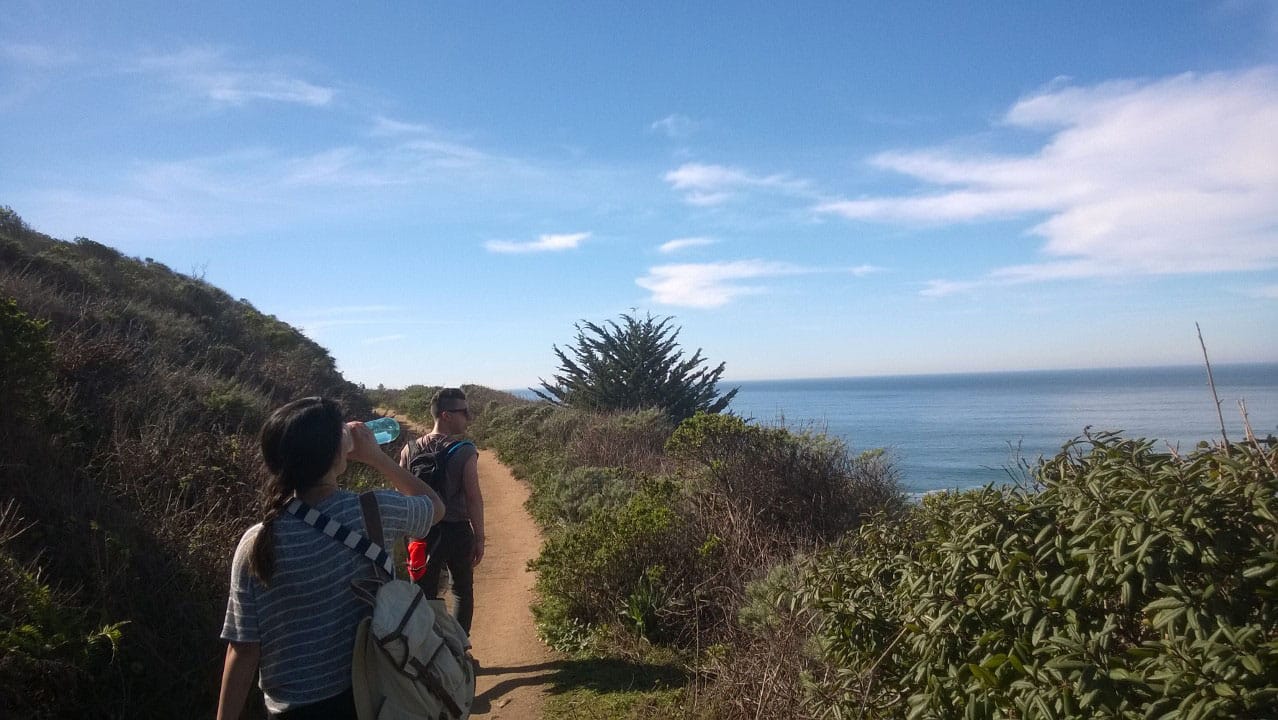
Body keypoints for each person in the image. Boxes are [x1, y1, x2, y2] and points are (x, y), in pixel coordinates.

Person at [216, 397, 445, 720]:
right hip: (372, 699)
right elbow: (435, 507)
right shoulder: (372, 511)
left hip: (290, 710)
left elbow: (244, 649)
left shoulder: (255, 543)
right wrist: (378, 458)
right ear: (334, 453)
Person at [399, 388, 484, 635]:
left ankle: (428, 653)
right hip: (457, 530)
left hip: (421, 533)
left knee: (422, 596)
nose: (468, 417)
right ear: (446, 415)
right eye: (464, 412)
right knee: (461, 591)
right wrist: (479, 538)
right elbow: (473, 498)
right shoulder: (465, 450)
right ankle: (459, 652)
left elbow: (402, 494)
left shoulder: (409, 450)